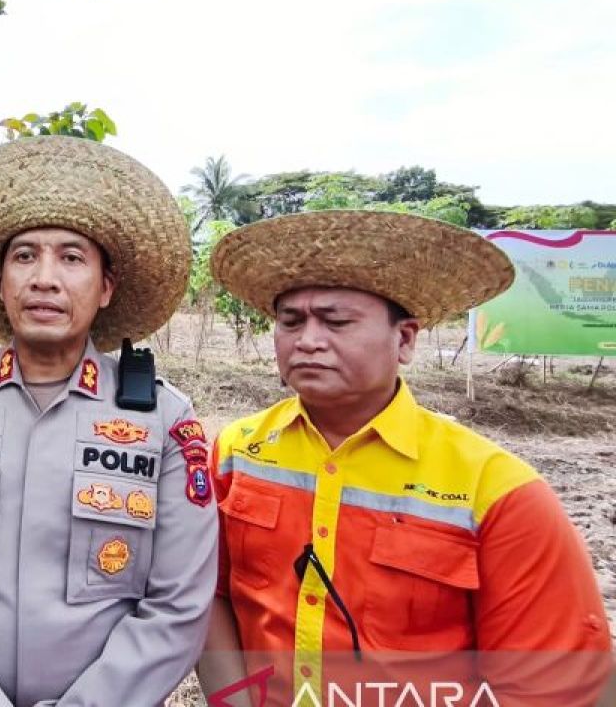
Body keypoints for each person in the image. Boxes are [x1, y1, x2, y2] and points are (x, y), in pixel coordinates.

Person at [198, 210, 613, 704]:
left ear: (405, 339)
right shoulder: (235, 451)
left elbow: (553, 683)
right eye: (290, 322)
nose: (307, 340)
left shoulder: (496, 490)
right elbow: (207, 595)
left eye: (336, 321)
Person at [0, 136, 222, 706]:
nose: (45, 278)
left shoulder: (163, 420)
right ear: (1, 282)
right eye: (25, 256)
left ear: (105, 287)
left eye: (72, 258)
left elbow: (177, 604)